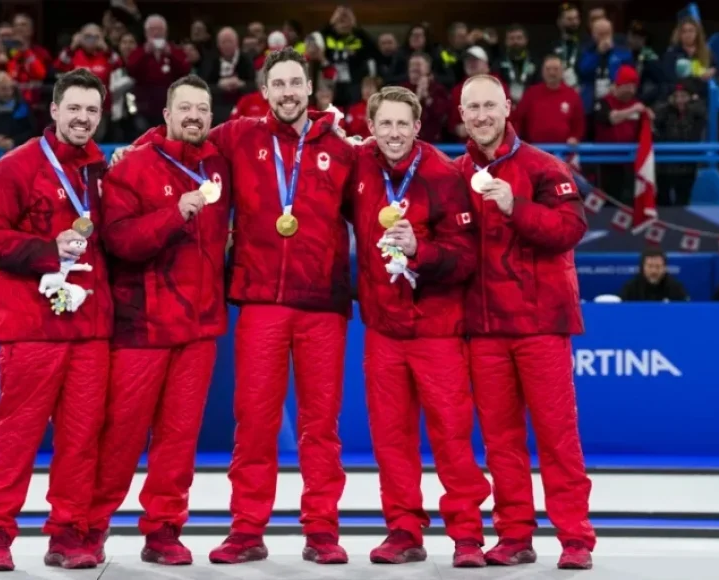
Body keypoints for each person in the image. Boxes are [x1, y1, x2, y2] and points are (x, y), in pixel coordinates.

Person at [118, 46, 356, 565]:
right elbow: (174, 140)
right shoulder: (239, 135)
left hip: (322, 305)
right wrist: (128, 150)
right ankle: (248, 529)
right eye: (280, 84)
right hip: (260, 301)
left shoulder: (341, 148)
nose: (289, 92)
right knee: (254, 422)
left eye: (297, 83)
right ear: (264, 91)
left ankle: (322, 530)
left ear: (310, 89)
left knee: (321, 426)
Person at [0, 69, 112, 572]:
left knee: (81, 440)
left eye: (92, 110)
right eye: (74, 108)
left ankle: (69, 535)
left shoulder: (100, 172)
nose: (83, 118)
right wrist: (46, 251)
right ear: (53, 110)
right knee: (17, 437)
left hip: (89, 329)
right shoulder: (17, 166)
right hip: (31, 328)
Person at [84, 75, 231, 566]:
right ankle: (90, 525)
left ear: (212, 117)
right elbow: (119, 242)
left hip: (199, 329)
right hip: (142, 328)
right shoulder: (132, 168)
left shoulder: (219, 163)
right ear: (165, 116)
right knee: (120, 436)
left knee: (179, 439)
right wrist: (175, 212)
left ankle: (164, 530)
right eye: (184, 108)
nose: (194, 116)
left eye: (202, 109)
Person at [455, 74, 595, 570]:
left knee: (557, 436)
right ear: (462, 114)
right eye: (473, 107)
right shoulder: (454, 174)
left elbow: (571, 229)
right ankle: (514, 536)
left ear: (508, 108)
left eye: (490, 106)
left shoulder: (543, 166)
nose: (482, 115)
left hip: (539, 326)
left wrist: (517, 208)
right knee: (500, 442)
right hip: (485, 329)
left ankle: (576, 538)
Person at [348, 85, 492, 567]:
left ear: (417, 127)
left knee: (452, 434)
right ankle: (403, 529)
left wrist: (420, 251)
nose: (393, 133)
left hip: (436, 330)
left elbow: (468, 259)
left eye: (401, 124)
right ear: (370, 129)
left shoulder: (445, 176)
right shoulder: (360, 166)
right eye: (383, 124)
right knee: (391, 437)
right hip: (383, 329)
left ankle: (468, 534)